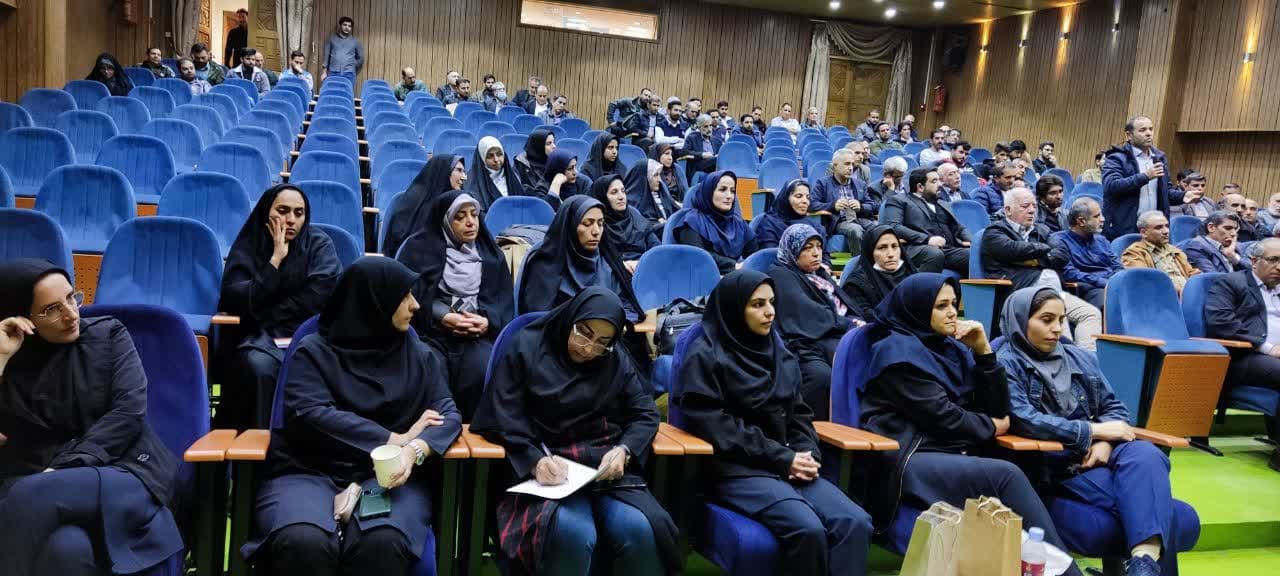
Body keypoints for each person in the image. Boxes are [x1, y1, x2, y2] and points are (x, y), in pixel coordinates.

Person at [240, 256, 462, 575]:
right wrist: (393, 439)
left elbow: (448, 414)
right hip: (308, 471)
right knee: (303, 539)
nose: (415, 305)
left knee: (382, 540)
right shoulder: (312, 352)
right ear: (373, 302)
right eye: (404, 296)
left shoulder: (419, 355)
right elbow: (311, 414)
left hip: (385, 477)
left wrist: (413, 451)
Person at [856, 274, 1079, 575]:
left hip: (953, 449)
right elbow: (943, 416)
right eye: (941, 306)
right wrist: (991, 426)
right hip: (909, 456)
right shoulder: (896, 352)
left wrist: (984, 352)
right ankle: (1067, 572)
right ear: (917, 308)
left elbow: (998, 408)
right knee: (1006, 475)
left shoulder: (951, 349)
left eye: (954, 305)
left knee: (1025, 463)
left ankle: (1033, 567)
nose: (952, 313)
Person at [677, 270, 873, 576]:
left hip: (787, 462)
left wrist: (807, 455)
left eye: (771, 302)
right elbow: (718, 428)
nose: (770, 312)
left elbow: (799, 414)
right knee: (807, 529)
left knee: (855, 522)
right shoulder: (705, 356)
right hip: (737, 469)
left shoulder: (778, 351)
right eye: (757, 304)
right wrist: (783, 458)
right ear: (734, 308)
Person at [472, 288, 677, 575]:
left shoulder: (614, 359)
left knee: (641, 528)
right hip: (545, 469)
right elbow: (501, 416)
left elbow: (644, 412)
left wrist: (624, 450)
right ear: (571, 318)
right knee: (573, 532)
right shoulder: (527, 347)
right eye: (584, 333)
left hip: (604, 469)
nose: (588, 348)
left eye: (602, 342)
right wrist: (533, 460)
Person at [0, 259, 184, 576]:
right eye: (51, 309)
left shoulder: (109, 334)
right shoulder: (12, 357)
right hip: (37, 483)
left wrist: (59, 470)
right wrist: (1, 359)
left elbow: (128, 413)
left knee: (31, 494)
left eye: (72, 298)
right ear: (22, 317)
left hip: (122, 471)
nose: (71, 314)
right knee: (66, 550)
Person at [997, 287, 1195, 576]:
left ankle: (1143, 563)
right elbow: (1025, 420)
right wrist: (1094, 431)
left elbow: (1114, 408)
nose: (1057, 329)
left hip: (1100, 455)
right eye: (1046, 320)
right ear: (1020, 320)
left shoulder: (1079, 357)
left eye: (1061, 320)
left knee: (1145, 451)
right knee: (1166, 513)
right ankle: (1146, 562)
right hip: (1057, 465)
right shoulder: (1005, 362)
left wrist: (1104, 442)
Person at [220, 184, 341, 429]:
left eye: (299, 213)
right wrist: (274, 261)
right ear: (267, 212)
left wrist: (264, 312)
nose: (291, 219)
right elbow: (236, 299)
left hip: (310, 335)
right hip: (260, 338)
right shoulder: (251, 245)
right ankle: (256, 446)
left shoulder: (319, 244)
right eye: (283, 211)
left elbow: (319, 297)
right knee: (258, 366)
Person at [395, 192, 513, 420]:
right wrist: (442, 316)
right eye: (460, 217)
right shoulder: (419, 250)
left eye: (474, 215)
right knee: (431, 368)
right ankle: (436, 434)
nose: (470, 222)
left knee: (482, 368)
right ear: (445, 221)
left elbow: (503, 303)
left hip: (476, 337)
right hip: (430, 334)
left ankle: (471, 434)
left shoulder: (491, 256)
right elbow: (407, 299)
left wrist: (487, 322)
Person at [517, 196, 652, 385]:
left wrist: (619, 321)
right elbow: (539, 321)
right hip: (564, 351)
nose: (596, 231)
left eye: (600, 224)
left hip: (608, 344)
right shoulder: (546, 265)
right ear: (571, 226)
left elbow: (626, 302)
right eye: (587, 224)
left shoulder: (606, 260)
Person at [983, 187, 1102, 349]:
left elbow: (1062, 255)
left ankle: (1085, 360)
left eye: (1034, 205)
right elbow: (1013, 249)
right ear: (1008, 210)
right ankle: (1066, 356)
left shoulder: (1042, 229)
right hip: (1020, 293)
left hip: (1054, 292)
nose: (1032, 210)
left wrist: (1033, 260)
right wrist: (1045, 250)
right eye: (1025, 206)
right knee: (1056, 316)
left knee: (1090, 314)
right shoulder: (994, 232)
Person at [767, 224, 862, 419]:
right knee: (823, 378)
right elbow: (806, 313)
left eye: (819, 246)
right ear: (792, 250)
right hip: (803, 342)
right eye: (807, 248)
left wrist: (856, 320)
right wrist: (848, 324)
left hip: (831, 335)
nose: (816, 253)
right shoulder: (780, 273)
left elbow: (844, 304)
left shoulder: (819, 274)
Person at [1205, 238, 1280, 469]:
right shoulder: (1230, 282)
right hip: (1244, 357)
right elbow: (1220, 322)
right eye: (1273, 260)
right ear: (1254, 261)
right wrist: (1267, 347)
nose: (1279, 267)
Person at [1101, 115, 1182, 239]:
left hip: (1154, 228)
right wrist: (1145, 176)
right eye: (1142, 130)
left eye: (1151, 129)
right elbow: (1111, 185)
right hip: (1125, 226)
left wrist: (1184, 196)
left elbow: (1166, 192)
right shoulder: (1116, 157)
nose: (1149, 133)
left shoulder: (1159, 157)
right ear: (1129, 135)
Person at [881, 168, 971, 275]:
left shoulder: (943, 203)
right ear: (920, 187)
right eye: (934, 181)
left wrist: (975, 242)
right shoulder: (900, 201)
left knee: (978, 253)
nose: (940, 184)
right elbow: (893, 226)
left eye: (939, 180)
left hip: (950, 249)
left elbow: (959, 228)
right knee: (938, 254)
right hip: (920, 247)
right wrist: (927, 239)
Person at [382, 154, 468, 258]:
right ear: (444, 171)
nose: (464, 177)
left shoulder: (456, 202)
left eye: (464, 172)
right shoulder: (414, 200)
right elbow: (399, 241)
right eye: (459, 170)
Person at [675, 171, 758, 274]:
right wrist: (733, 266)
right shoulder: (692, 220)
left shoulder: (737, 222)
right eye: (722, 190)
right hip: (705, 277)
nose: (729, 196)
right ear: (709, 192)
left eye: (732, 191)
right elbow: (698, 257)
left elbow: (754, 252)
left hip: (735, 276)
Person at [1054, 197, 1122, 309]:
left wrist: (1117, 281)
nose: (1103, 219)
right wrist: (1103, 282)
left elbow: (1117, 265)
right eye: (1097, 216)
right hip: (1089, 289)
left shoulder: (1101, 240)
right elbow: (1070, 273)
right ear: (1081, 221)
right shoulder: (1060, 241)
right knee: (1114, 302)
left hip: (1112, 284)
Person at [812, 148, 877, 255]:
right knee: (855, 230)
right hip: (837, 221)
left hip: (859, 218)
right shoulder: (823, 183)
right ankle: (860, 262)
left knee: (878, 229)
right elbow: (813, 205)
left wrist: (860, 207)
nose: (851, 168)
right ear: (835, 166)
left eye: (852, 164)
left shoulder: (860, 184)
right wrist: (833, 205)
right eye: (847, 164)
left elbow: (871, 205)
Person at [842, 225, 918, 316]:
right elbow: (865, 318)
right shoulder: (855, 286)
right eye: (882, 248)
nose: (891, 254)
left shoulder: (911, 273)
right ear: (870, 251)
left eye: (894, 246)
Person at [1121, 211, 1201, 294]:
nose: (1166, 231)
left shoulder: (1175, 250)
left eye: (1167, 226)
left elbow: (1191, 272)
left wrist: (1199, 282)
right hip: (1162, 297)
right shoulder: (1134, 253)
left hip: (1187, 295)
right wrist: (1177, 291)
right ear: (1144, 232)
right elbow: (1145, 282)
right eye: (1158, 228)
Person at [591, 174, 658, 263]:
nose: (621, 197)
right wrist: (622, 265)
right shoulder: (597, 225)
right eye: (614, 192)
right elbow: (597, 261)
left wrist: (641, 263)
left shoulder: (634, 215)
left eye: (623, 191)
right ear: (602, 197)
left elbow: (656, 249)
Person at [754, 180, 820, 250]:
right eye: (799, 196)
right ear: (786, 198)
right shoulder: (768, 224)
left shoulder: (814, 226)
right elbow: (770, 253)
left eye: (808, 197)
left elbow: (824, 254)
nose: (805, 201)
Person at [464, 137, 522, 210]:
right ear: (482, 159)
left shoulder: (514, 176)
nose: (496, 160)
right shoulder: (471, 182)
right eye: (490, 156)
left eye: (499, 154)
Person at [623, 160, 678, 236]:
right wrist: (658, 224)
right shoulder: (632, 203)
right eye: (655, 175)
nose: (659, 180)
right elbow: (640, 228)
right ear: (644, 178)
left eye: (659, 175)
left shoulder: (662, 193)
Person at [1183, 211, 1248, 274]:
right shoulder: (1196, 247)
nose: (1234, 233)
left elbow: (1253, 273)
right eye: (1228, 228)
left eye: (1235, 229)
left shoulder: (1232, 247)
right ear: (1211, 227)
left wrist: (1233, 256)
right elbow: (1213, 278)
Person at [321, 16, 363, 83]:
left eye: (349, 26)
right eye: (345, 25)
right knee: (333, 90)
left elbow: (361, 59)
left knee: (347, 90)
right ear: (340, 25)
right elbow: (326, 57)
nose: (347, 28)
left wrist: (352, 65)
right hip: (333, 73)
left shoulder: (355, 41)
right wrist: (324, 72)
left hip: (349, 74)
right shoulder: (331, 39)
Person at [514, 128, 555, 194]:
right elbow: (516, 187)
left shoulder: (555, 163)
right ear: (538, 146)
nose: (554, 146)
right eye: (548, 143)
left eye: (553, 142)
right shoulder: (521, 163)